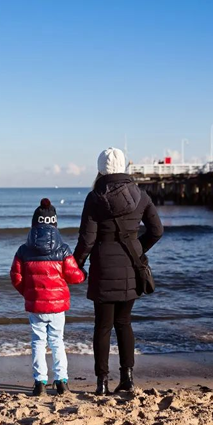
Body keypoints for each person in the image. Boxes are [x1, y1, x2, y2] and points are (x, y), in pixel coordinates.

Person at [73, 148, 163, 395]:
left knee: (102, 327)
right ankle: (128, 379)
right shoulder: (141, 196)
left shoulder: (94, 198)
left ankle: (102, 383)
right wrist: (138, 248)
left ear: (100, 168)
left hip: (103, 270)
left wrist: (75, 265)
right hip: (132, 269)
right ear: (124, 167)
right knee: (124, 323)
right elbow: (157, 231)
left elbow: (87, 241)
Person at [10, 198, 86, 396]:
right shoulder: (62, 249)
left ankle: (40, 383)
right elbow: (74, 276)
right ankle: (61, 382)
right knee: (57, 341)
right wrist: (83, 273)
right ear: (54, 223)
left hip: (36, 307)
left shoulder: (24, 250)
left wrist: (29, 292)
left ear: (34, 223)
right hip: (57, 307)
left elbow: (16, 277)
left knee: (38, 342)